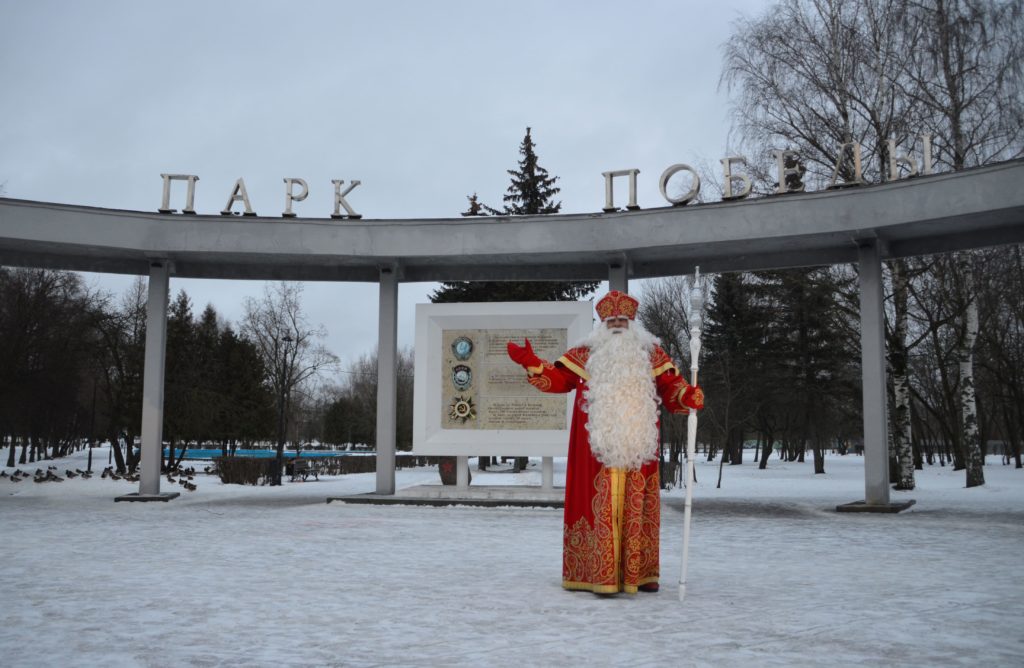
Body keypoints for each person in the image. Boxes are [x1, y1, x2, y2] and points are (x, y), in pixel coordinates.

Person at [507, 290, 703, 595]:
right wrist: (532, 363)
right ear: (601, 322)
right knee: (597, 508)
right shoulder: (585, 354)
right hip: (594, 453)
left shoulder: (652, 354)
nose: (616, 325)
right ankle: (595, 575)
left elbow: (672, 386)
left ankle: (638, 574)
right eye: (610, 320)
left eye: (622, 320)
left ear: (633, 323)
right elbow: (558, 380)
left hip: (639, 451)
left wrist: (687, 396)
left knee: (637, 507)